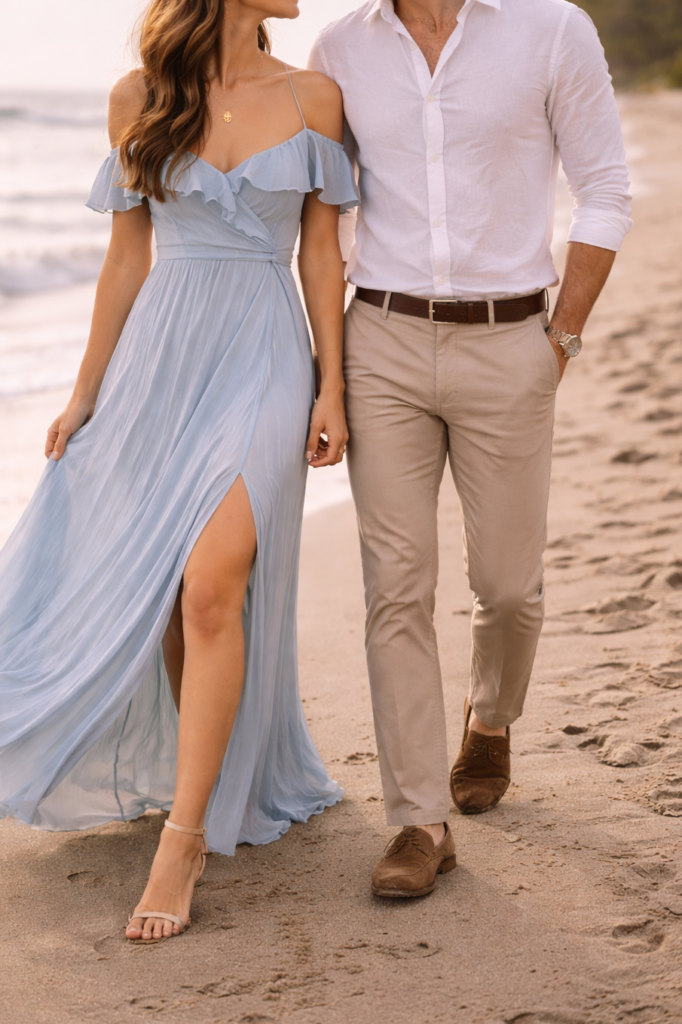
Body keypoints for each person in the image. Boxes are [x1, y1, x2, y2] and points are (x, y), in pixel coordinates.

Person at [0, 0, 358, 941]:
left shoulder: (315, 97)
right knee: (170, 599)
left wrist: (332, 385)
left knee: (210, 587)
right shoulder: (138, 97)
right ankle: (203, 770)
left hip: (264, 353)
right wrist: (85, 392)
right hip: (161, 359)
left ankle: (185, 840)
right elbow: (127, 258)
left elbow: (322, 253)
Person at [310, 0, 632, 898]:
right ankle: (419, 819)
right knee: (397, 583)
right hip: (381, 341)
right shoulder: (340, 46)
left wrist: (560, 340)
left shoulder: (552, 29)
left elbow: (606, 189)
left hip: (512, 339)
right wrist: (329, 373)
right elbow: (322, 218)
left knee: (508, 585)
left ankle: (490, 719)